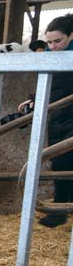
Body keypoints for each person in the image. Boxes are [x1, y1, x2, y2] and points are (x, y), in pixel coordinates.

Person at [38, 14, 73, 227]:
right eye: (49, 42)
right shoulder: (53, 58)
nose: (53, 46)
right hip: (58, 118)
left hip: (71, 117)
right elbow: (52, 87)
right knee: (59, 163)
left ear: (71, 36)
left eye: (58, 41)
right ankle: (60, 210)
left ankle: (61, 210)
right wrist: (33, 100)